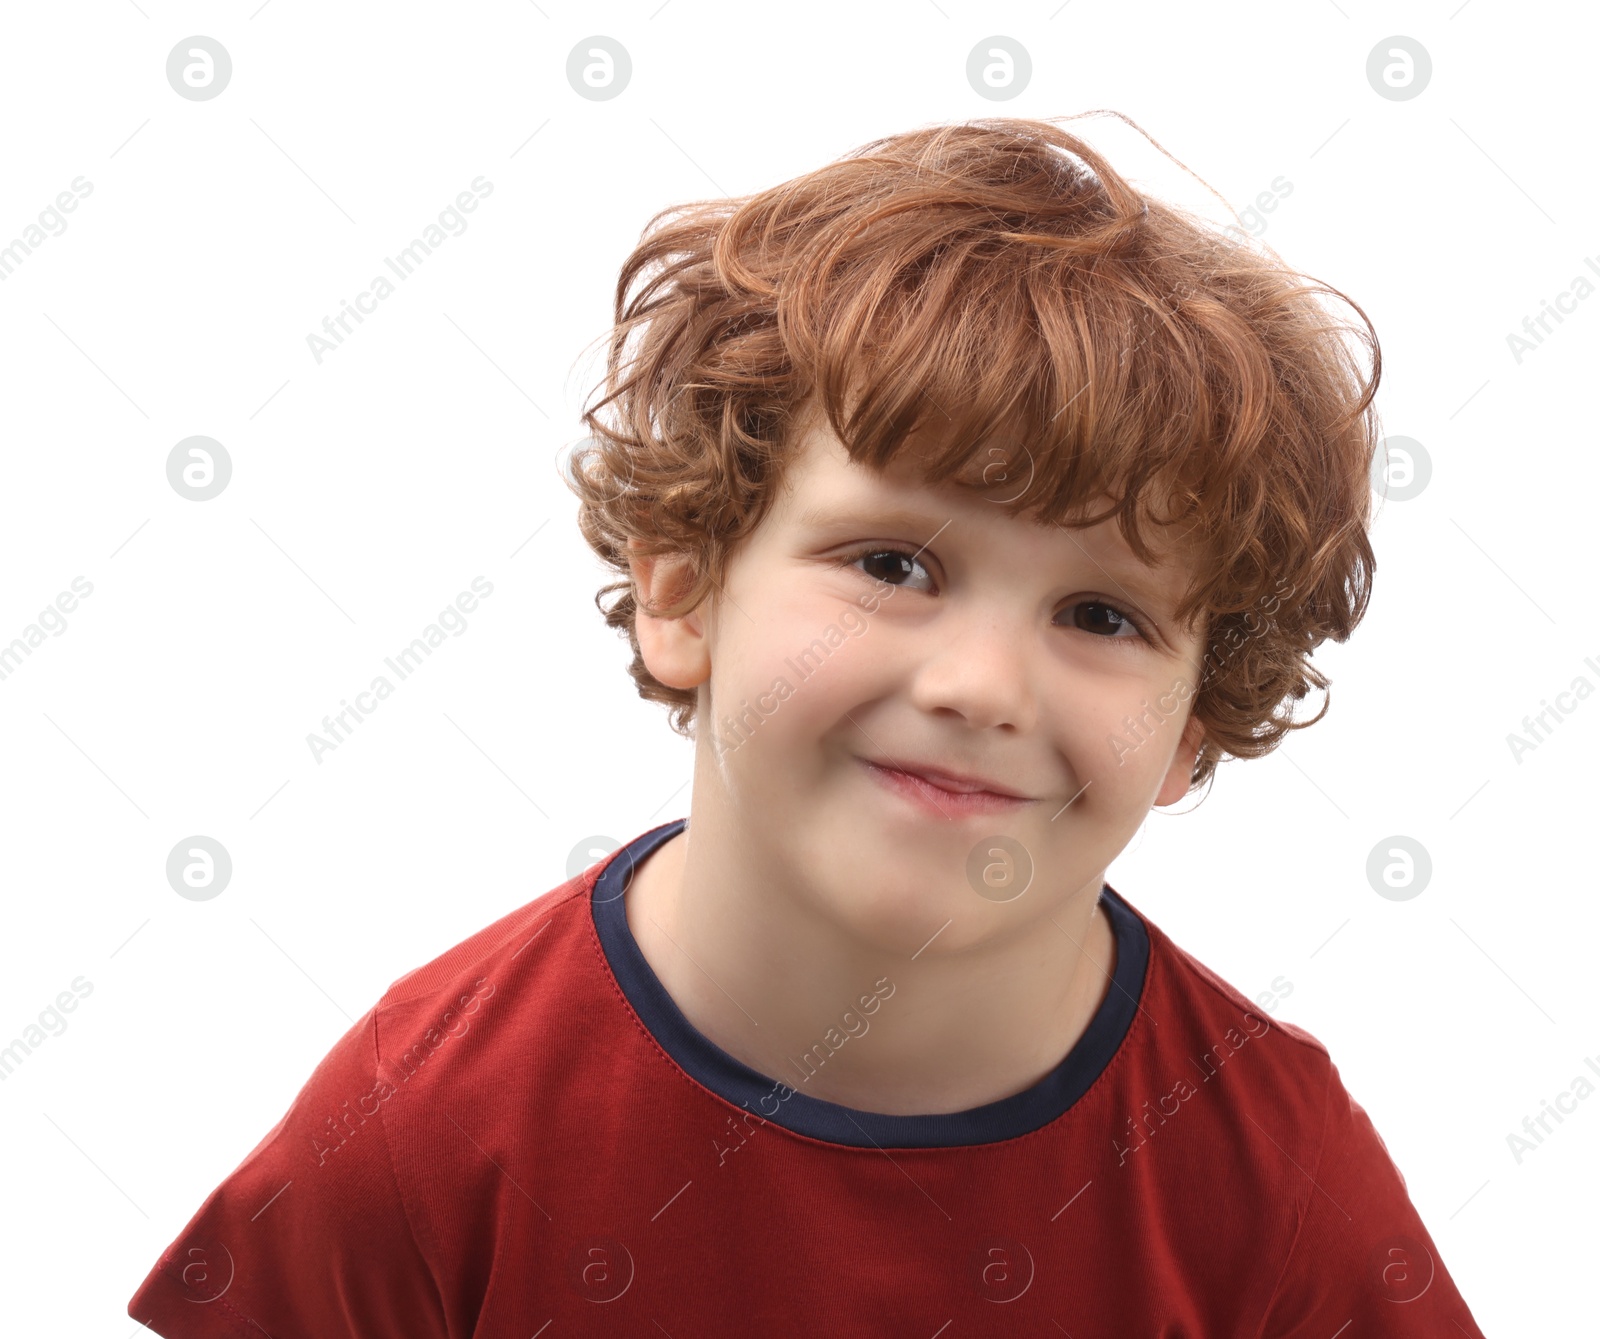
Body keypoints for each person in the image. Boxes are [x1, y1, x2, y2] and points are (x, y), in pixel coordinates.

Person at [127, 115, 1486, 1335]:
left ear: (1196, 721)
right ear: (683, 584)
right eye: (894, 566)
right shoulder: (424, 1123)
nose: (984, 687)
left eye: (1105, 618)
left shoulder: (1275, 1182)